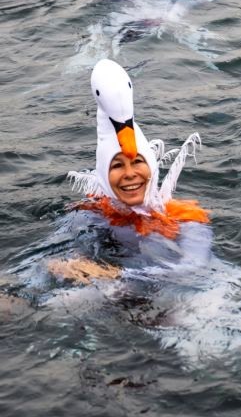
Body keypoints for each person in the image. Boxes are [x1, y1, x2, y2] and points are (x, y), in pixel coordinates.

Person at [48, 58, 210, 286]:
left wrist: (115, 274)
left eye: (137, 162)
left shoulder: (186, 219)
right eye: (117, 165)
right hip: (118, 292)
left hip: (191, 295)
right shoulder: (90, 214)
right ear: (104, 175)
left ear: (152, 167)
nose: (129, 173)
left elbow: (194, 269)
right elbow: (54, 256)